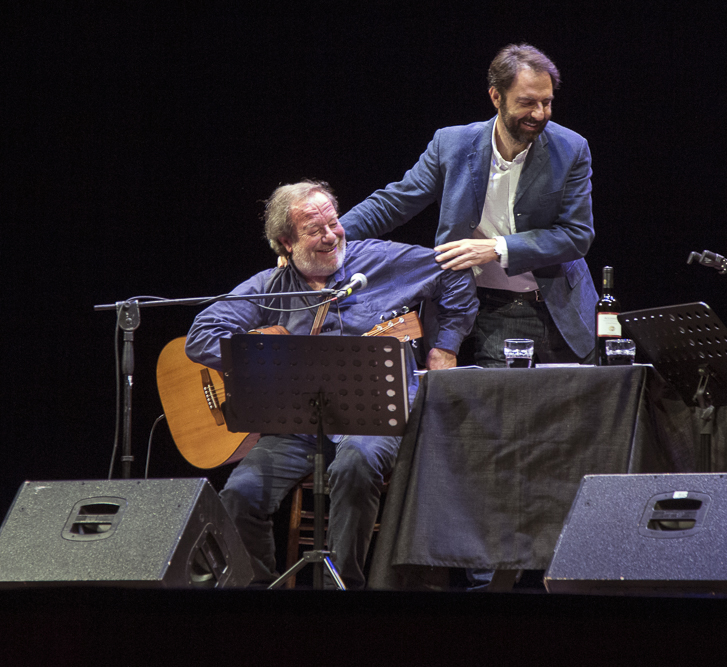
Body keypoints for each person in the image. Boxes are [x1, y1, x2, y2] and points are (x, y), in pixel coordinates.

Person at [185, 180, 477, 588]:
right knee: (240, 494)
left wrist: (445, 347)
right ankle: (259, 588)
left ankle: (342, 586)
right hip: (300, 424)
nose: (331, 236)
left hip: (372, 413)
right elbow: (202, 335)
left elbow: (454, 273)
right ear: (286, 242)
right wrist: (267, 362)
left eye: (334, 223)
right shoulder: (271, 287)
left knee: (355, 464)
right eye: (314, 230)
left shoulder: (378, 260)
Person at [341, 43, 598, 367]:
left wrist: (496, 248)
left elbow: (577, 235)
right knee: (499, 412)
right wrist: (329, 237)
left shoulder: (572, 148)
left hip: (557, 304)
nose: (539, 113)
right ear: (496, 97)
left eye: (547, 102)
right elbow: (394, 202)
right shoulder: (451, 144)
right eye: (527, 102)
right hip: (481, 305)